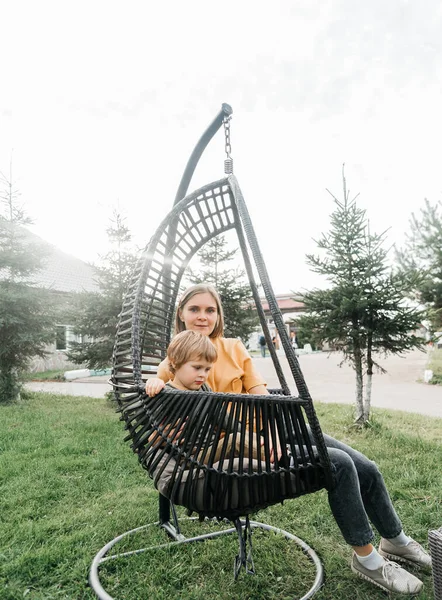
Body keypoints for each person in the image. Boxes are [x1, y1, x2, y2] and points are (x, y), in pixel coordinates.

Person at [146, 283, 431, 595]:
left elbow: (260, 392)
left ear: (219, 314)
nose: (203, 316)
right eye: (195, 309)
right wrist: (152, 384)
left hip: (268, 428)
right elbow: (162, 385)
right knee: (337, 464)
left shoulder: (233, 347)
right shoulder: (180, 353)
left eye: (210, 309)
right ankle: (368, 560)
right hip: (237, 443)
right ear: (181, 314)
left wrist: (274, 428)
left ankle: (396, 539)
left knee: (367, 467)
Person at [156, 329, 264, 463]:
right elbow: (151, 426)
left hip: (212, 448)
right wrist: (152, 383)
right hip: (191, 457)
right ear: (174, 362)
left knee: (242, 438)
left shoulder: (204, 388)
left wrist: (253, 438)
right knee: (234, 441)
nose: (203, 374)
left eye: (207, 369)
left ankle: (285, 454)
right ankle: (285, 460)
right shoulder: (166, 393)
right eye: (197, 368)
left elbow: (226, 420)